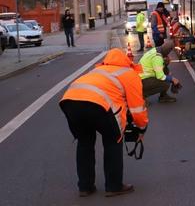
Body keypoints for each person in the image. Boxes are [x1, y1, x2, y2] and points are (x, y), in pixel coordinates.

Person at [59, 48, 148, 197]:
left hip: (70, 102)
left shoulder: (98, 71)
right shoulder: (129, 74)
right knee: (113, 141)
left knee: (85, 142)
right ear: (127, 62)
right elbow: (137, 109)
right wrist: (142, 129)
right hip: (98, 105)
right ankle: (114, 186)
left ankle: (85, 187)